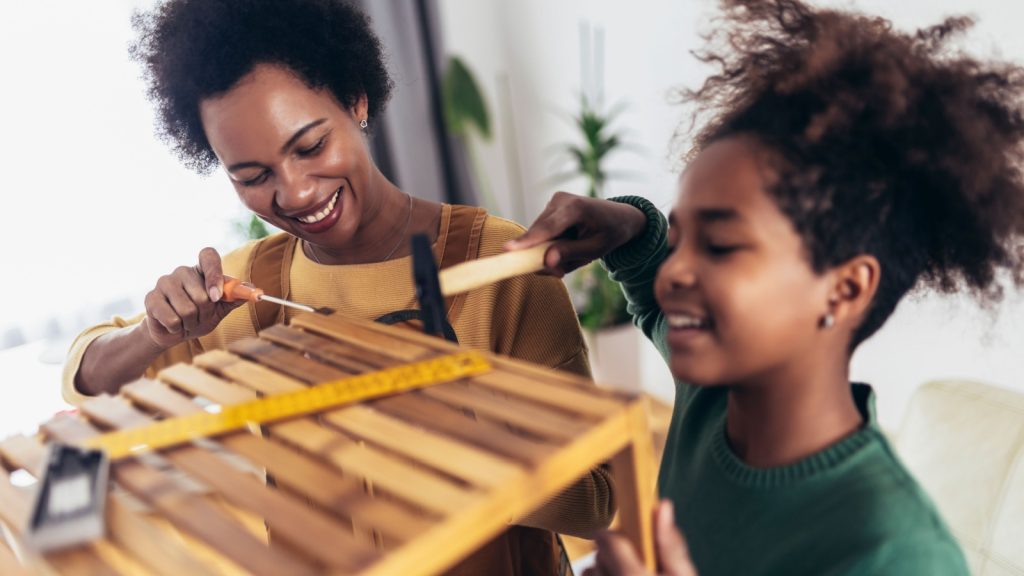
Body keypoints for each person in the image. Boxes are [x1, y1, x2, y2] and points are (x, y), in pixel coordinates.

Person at [61, 1, 613, 574]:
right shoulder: (245, 293)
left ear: (357, 99)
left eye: (310, 147)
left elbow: (598, 499)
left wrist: (463, 434)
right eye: (252, 176)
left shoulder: (500, 267)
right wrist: (154, 333)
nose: (296, 193)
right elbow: (89, 382)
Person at [509, 0, 1024, 573]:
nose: (678, 270)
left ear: (845, 290)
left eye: (722, 246)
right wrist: (632, 229)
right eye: (682, 240)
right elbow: (657, 283)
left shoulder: (898, 554)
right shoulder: (715, 393)